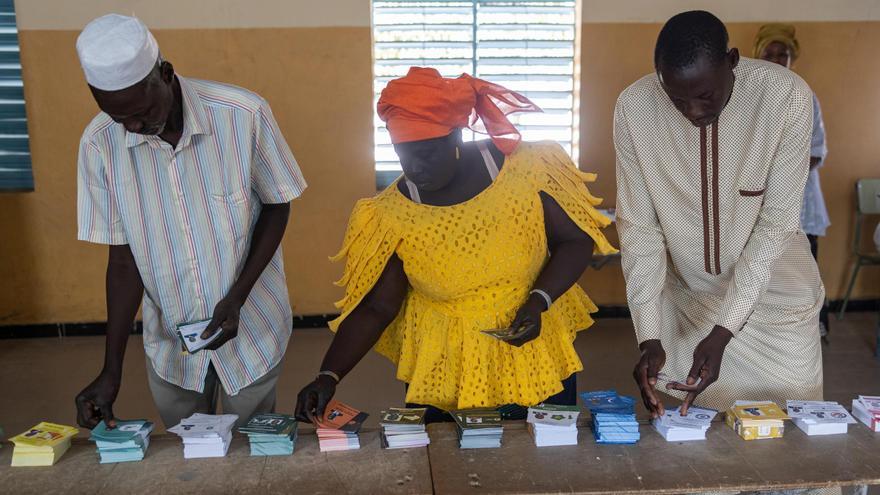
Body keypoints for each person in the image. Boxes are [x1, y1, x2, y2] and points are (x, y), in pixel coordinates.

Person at [295, 67, 616, 423]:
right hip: (445, 364)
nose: (415, 167)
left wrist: (539, 300)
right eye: (404, 153)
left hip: (534, 348)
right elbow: (377, 306)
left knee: (543, 457)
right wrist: (328, 376)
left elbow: (574, 242)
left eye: (427, 152)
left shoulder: (526, 170)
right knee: (447, 466)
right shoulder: (391, 212)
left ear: (457, 137)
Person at [73, 14, 307, 429]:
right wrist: (111, 370)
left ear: (165, 74)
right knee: (189, 455)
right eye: (117, 117)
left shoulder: (242, 114)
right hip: (171, 343)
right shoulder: (99, 145)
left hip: (251, 329)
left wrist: (237, 296)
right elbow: (123, 260)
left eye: (141, 112)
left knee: (256, 452)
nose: (133, 127)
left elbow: (276, 205)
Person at [614, 11, 824, 417]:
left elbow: (774, 228)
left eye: (706, 96)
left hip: (778, 308)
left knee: (791, 443)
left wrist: (725, 330)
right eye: (677, 99)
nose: (693, 112)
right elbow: (639, 230)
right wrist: (649, 335)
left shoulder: (785, 98)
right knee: (700, 445)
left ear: (732, 60)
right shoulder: (634, 108)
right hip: (690, 304)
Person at [754, 23, 831, 337]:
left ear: (791, 59)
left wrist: (780, 173)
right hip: (758, 196)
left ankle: (813, 326)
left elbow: (816, 151)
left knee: (803, 266)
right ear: (758, 56)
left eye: (782, 54)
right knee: (763, 265)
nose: (775, 60)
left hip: (799, 197)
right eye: (769, 54)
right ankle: (767, 330)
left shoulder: (805, 96)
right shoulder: (749, 95)